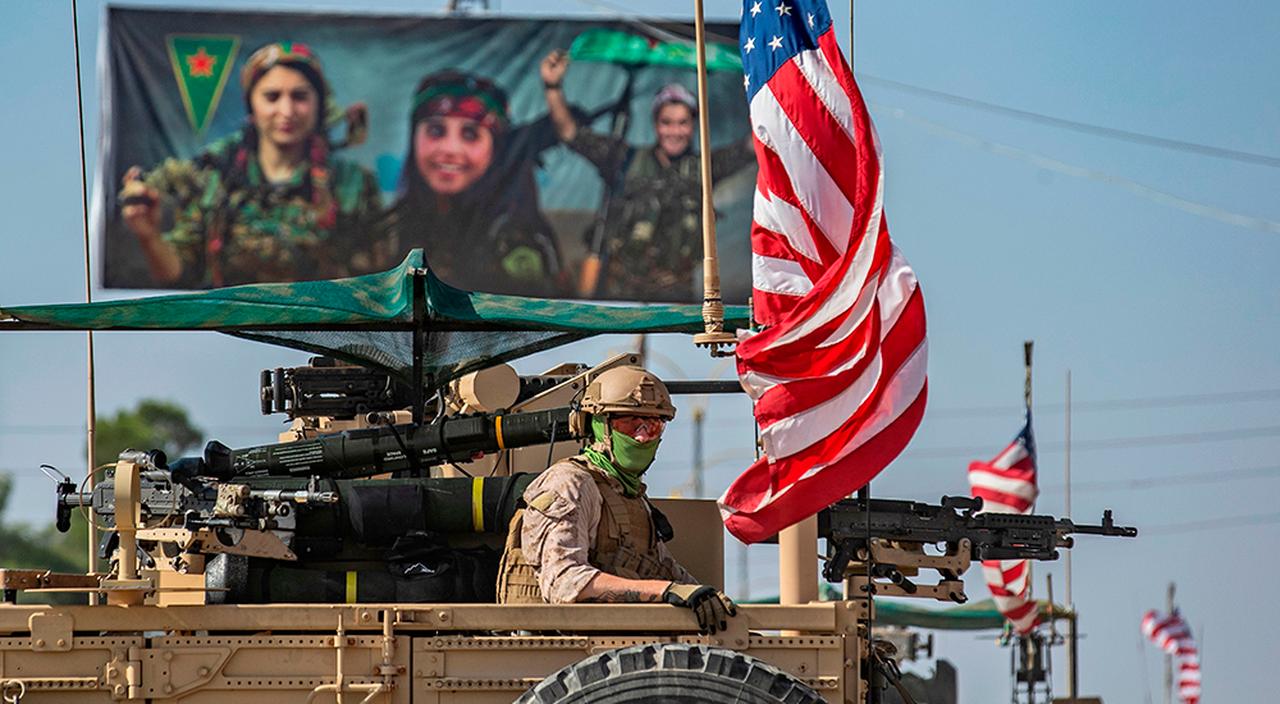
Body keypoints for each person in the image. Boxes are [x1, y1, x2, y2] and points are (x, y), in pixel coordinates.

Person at [496, 365, 737, 635]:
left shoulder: (631, 496)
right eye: (630, 423)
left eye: (654, 424)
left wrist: (707, 600)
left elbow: (665, 573)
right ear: (599, 425)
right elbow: (564, 583)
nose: (643, 435)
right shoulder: (571, 484)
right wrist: (665, 592)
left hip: (615, 649)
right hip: (560, 651)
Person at [120, 42, 382, 288]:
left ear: (319, 104)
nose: (287, 111)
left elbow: (375, 282)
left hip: (319, 333)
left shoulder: (351, 184)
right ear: (251, 106)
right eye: (272, 97)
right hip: (227, 333)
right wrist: (149, 237)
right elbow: (179, 273)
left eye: (300, 96)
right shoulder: (213, 177)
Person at [541, 50, 756, 301]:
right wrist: (552, 86)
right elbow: (570, 134)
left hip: (677, 299)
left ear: (693, 125)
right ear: (656, 124)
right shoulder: (624, 159)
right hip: (621, 296)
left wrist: (765, 86)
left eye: (682, 122)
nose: (674, 131)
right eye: (667, 122)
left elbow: (751, 146)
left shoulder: (705, 168)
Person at [381, 70, 568, 297]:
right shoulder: (399, 224)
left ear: (496, 147)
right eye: (436, 130)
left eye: (470, 134)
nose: (450, 150)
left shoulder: (514, 234)